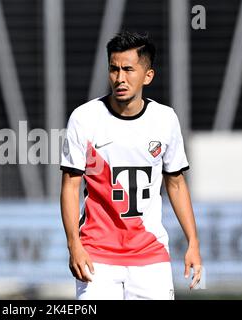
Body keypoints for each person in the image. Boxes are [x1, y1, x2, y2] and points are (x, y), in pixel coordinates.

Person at [60, 30, 202, 300]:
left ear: (148, 75)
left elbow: (176, 183)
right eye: (114, 69)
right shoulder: (85, 118)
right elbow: (70, 187)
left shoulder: (165, 119)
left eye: (128, 69)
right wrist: (73, 245)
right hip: (96, 255)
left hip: (150, 256)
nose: (120, 78)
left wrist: (193, 242)